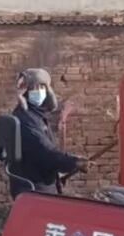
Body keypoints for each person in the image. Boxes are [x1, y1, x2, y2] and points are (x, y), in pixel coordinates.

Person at [8, 67, 89, 198]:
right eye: (34, 88)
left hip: (40, 183)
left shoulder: (36, 116)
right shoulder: (25, 119)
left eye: (42, 87)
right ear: (26, 91)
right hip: (34, 188)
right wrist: (73, 162)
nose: (39, 91)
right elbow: (45, 152)